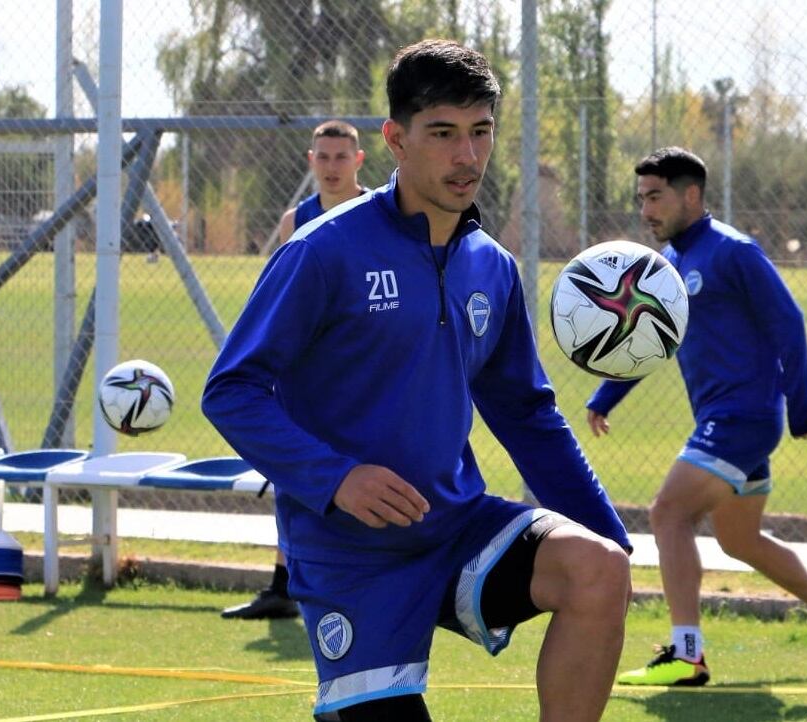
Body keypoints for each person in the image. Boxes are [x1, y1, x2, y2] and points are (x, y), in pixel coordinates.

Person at [202, 39, 632, 722]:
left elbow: (526, 413)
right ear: (396, 139)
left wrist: (614, 540)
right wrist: (336, 478)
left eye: (481, 132)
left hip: (457, 526)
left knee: (598, 570)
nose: (467, 156)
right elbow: (231, 389)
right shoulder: (322, 253)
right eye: (443, 134)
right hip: (352, 556)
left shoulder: (491, 266)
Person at [587, 147, 807, 685]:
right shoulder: (671, 264)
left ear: (690, 195)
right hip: (728, 420)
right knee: (738, 540)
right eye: (641, 198)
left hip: (743, 418)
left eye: (655, 197)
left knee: (669, 513)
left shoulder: (733, 252)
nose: (646, 210)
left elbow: (790, 322)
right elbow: (655, 337)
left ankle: (686, 652)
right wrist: (607, 395)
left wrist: (802, 407)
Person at [221, 119, 369, 621]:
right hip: (306, 371)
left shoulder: (378, 215)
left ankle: (358, 582)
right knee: (293, 474)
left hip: (359, 369)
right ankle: (284, 585)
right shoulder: (295, 221)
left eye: (340, 157)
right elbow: (279, 302)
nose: (331, 167)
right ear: (311, 162)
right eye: (322, 158)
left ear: (359, 161)